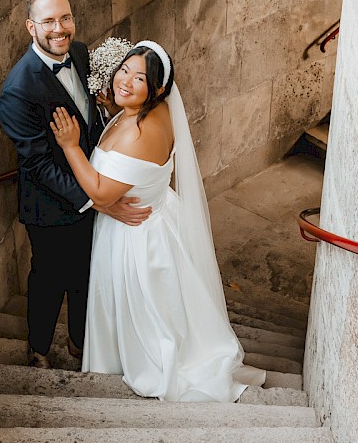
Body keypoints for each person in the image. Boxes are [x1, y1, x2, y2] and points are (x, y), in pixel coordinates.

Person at [50, 41, 267, 401]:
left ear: (159, 89)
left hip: (133, 240)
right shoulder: (150, 112)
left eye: (139, 79)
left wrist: (71, 146)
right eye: (124, 70)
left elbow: (103, 194)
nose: (125, 81)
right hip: (152, 222)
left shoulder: (141, 134)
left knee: (147, 316)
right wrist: (111, 110)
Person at [0, 0, 151, 369]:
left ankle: (81, 344)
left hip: (92, 185)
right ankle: (39, 350)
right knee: (49, 284)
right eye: (48, 21)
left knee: (87, 276)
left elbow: (87, 121)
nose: (59, 29)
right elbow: (37, 166)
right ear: (31, 27)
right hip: (50, 210)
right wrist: (98, 200)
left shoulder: (80, 53)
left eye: (65, 18)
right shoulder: (18, 91)